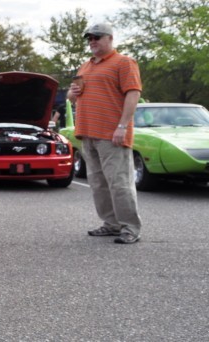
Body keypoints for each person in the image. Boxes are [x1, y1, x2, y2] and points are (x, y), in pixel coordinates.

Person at [67, 22, 143, 244]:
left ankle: (130, 228)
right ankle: (111, 224)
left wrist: (122, 126)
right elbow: (74, 98)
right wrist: (71, 93)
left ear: (110, 38)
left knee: (119, 182)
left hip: (112, 134)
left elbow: (133, 94)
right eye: (89, 38)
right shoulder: (85, 66)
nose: (92, 41)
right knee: (98, 183)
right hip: (87, 133)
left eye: (97, 37)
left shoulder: (124, 62)